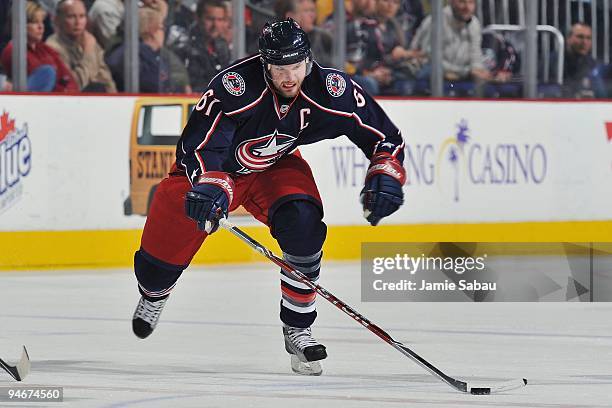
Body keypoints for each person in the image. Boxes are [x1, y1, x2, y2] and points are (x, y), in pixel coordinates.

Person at [131, 18, 406, 375]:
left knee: (303, 224)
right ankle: (154, 294)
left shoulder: (331, 90)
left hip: (274, 167)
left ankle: (298, 328)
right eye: (279, 68)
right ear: (265, 65)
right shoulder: (234, 87)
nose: (289, 77)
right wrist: (211, 183)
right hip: (212, 175)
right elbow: (196, 146)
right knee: (156, 269)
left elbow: (386, 137)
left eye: (296, 65)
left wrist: (385, 171)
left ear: (307, 60)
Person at [1, 1, 78, 92]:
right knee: (48, 72)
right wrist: (62, 89)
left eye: (42, 21)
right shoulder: (14, 50)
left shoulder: (46, 49)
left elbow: (70, 80)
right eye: (35, 22)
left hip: (60, 100)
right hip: (37, 103)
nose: (41, 26)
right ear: (21, 24)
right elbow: (41, 84)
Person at [46, 0, 117, 92]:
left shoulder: (89, 40)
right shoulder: (52, 47)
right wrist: (88, 53)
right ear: (57, 20)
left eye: (82, 16)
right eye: (71, 17)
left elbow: (106, 78)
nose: (78, 22)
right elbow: (73, 85)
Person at [169, 0, 231, 91]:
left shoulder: (222, 46)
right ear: (197, 18)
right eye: (210, 19)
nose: (215, 25)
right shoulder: (183, 47)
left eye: (220, 20)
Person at [555, 22, 606, 98]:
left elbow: (602, 94)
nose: (584, 42)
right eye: (580, 37)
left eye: (588, 38)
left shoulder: (593, 64)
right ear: (568, 39)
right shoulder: (554, 61)